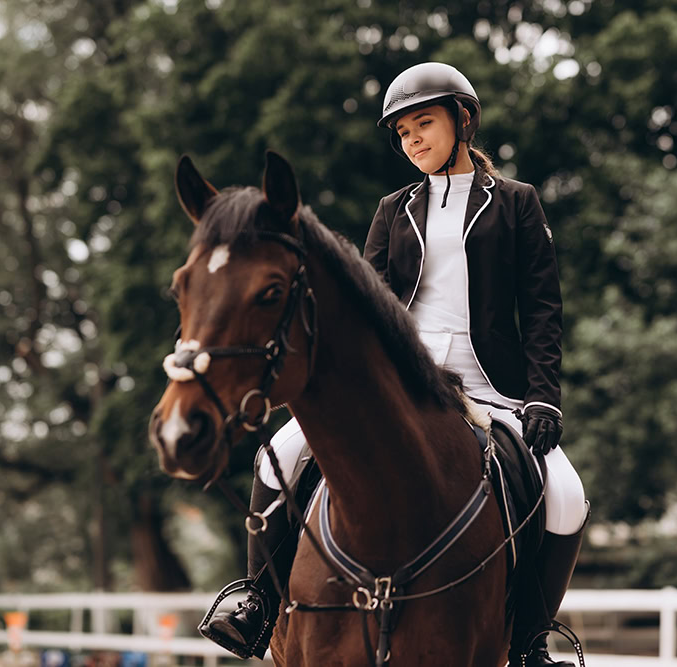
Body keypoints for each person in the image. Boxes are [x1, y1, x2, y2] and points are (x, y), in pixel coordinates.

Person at [204, 62, 588, 667]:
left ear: (462, 120)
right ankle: (255, 601)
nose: (413, 141)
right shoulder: (393, 209)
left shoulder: (516, 203)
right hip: (399, 379)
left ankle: (532, 639)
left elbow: (542, 309)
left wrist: (542, 396)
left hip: (489, 385)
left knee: (567, 493)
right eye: (404, 133)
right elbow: (368, 304)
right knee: (277, 455)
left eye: (424, 125)